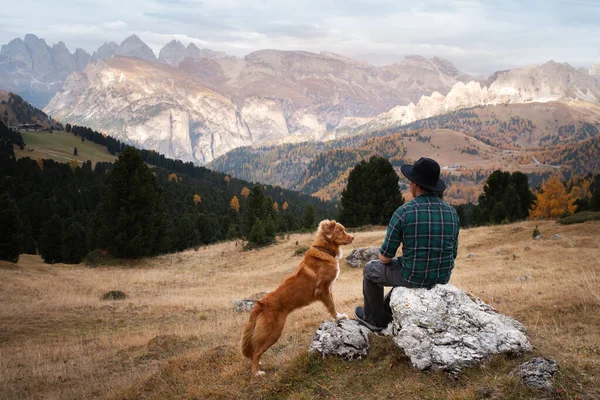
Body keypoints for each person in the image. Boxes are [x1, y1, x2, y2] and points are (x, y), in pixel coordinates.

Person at [354, 157, 460, 332]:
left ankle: (373, 319)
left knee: (370, 270)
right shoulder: (452, 213)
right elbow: (453, 253)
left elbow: (385, 258)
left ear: (415, 184)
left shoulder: (404, 212)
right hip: (442, 276)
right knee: (403, 267)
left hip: (413, 276)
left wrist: (404, 260)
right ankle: (387, 309)